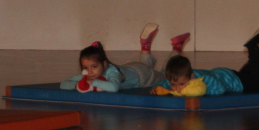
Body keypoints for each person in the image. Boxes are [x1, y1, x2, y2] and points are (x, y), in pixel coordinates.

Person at [60, 25, 189, 92]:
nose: (90, 71)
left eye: (94, 67)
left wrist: (92, 82)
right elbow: (63, 84)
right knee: (145, 66)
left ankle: (176, 49)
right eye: (85, 68)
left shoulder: (111, 72)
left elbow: (114, 87)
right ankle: (145, 45)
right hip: (133, 68)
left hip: (142, 77)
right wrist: (78, 84)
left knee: (167, 76)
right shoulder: (89, 74)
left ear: (104, 64)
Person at [153, 26, 259, 98]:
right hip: (223, 73)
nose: (178, 89)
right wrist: (157, 88)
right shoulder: (180, 76)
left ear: (192, 76)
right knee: (247, 75)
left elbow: (220, 89)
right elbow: (164, 83)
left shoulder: (204, 80)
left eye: (182, 84)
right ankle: (258, 59)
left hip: (236, 82)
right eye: (174, 85)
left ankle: (254, 49)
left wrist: (202, 91)